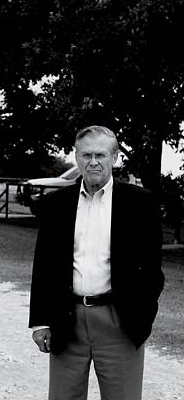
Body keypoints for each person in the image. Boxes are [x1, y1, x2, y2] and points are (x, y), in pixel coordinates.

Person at [29, 125, 164, 400]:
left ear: (114, 157)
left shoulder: (140, 204)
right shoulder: (56, 205)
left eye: (100, 155)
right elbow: (44, 266)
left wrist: (143, 315)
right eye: (86, 154)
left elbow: (152, 271)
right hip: (68, 321)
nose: (93, 162)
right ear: (76, 157)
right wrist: (41, 320)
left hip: (120, 321)